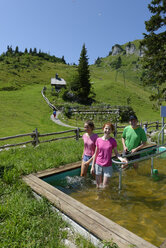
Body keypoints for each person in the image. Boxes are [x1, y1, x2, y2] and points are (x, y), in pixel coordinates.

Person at [90, 122, 127, 188]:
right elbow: (95, 154)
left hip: (108, 165)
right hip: (98, 164)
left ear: (112, 131)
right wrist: (92, 166)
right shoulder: (98, 140)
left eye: (109, 129)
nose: (107, 130)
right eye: (106, 128)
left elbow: (117, 154)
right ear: (103, 129)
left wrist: (122, 159)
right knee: (98, 186)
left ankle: (104, 197)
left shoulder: (113, 141)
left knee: (105, 186)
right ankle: (98, 197)